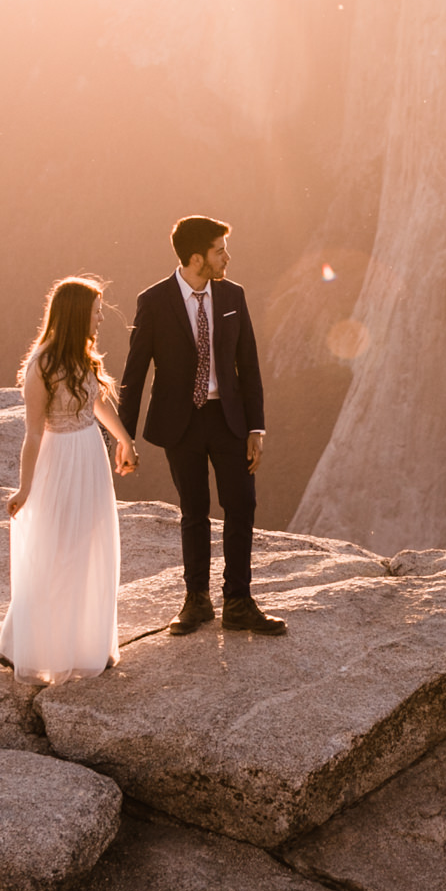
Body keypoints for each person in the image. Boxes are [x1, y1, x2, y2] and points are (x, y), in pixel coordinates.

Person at [117, 215, 288, 636]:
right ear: (197, 258)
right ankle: (196, 601)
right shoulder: (154, 301)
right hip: (182, 423)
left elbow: (247, 364)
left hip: (228, 419)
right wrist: (123, 437)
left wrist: (257, 428)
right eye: (219, 250)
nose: (226, 257)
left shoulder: (233, 294)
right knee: (194, 512)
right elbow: (134, 373)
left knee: (242, 505)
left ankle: (239, 601)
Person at [0, 275, 137, 682]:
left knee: (90, 546)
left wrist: (124, 439)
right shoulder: (41, 364)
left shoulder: (83, 355)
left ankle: (86, 644)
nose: (99, 320)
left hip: (89, 456)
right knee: (57, 551)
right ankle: (23, 645)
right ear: (77, 315)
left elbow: (96, 404)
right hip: (59, 460)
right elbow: (34, 432)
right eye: (95, 313)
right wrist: (25, 488)